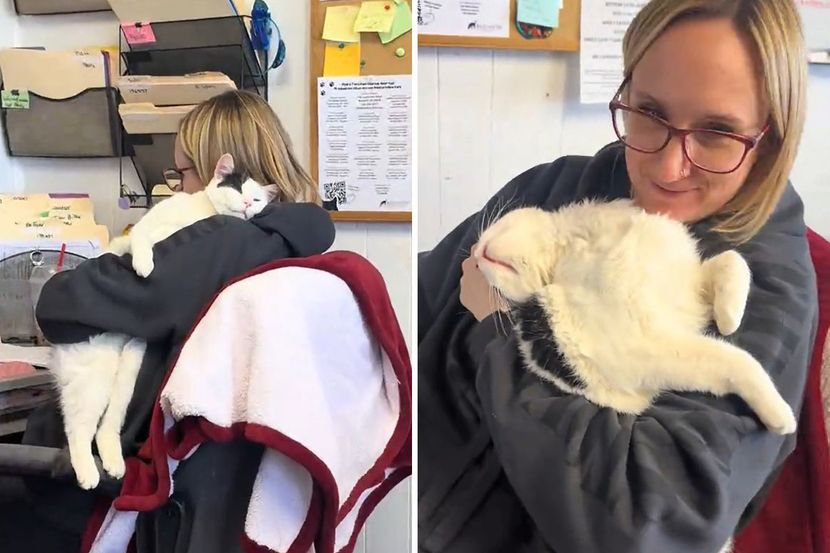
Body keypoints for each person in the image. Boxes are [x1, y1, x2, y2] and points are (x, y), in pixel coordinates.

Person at [418, 1, 818, 552]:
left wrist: (503, 330)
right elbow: (419, 302)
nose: (669, 168)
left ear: (771, 138)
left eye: (717, 132)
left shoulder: (769, 292)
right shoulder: (557, 188)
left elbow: (643, 526)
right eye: (649, 113)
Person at [1, 89, 335, 552]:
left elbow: (58, 305)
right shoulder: (293, 240)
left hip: (87, 487)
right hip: (187, 486)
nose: (178, 191)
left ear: (221, 169)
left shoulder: (220, 242)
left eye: (183, 174)